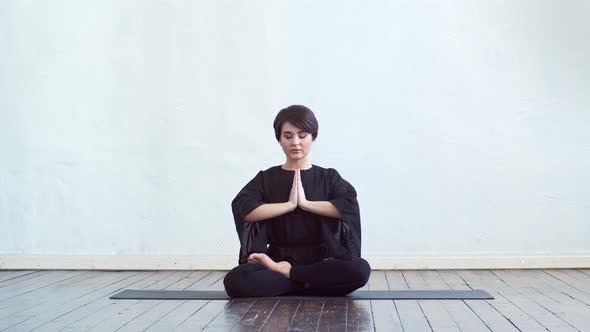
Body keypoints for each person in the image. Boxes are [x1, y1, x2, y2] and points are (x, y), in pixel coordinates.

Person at [223, 105, 371, 297]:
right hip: (277, 259)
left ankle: (290, 275)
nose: (295, 142)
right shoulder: (266, 178)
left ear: (313, 137)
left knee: (360, 270)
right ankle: (311, 282)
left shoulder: (328, 177)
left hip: (322, 260)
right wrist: (289, 205)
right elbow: (244, 208)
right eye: (288, 136)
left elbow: (348, 206)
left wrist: (305, 203)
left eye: (302, 136)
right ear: (279, 139)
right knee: (236, 281)